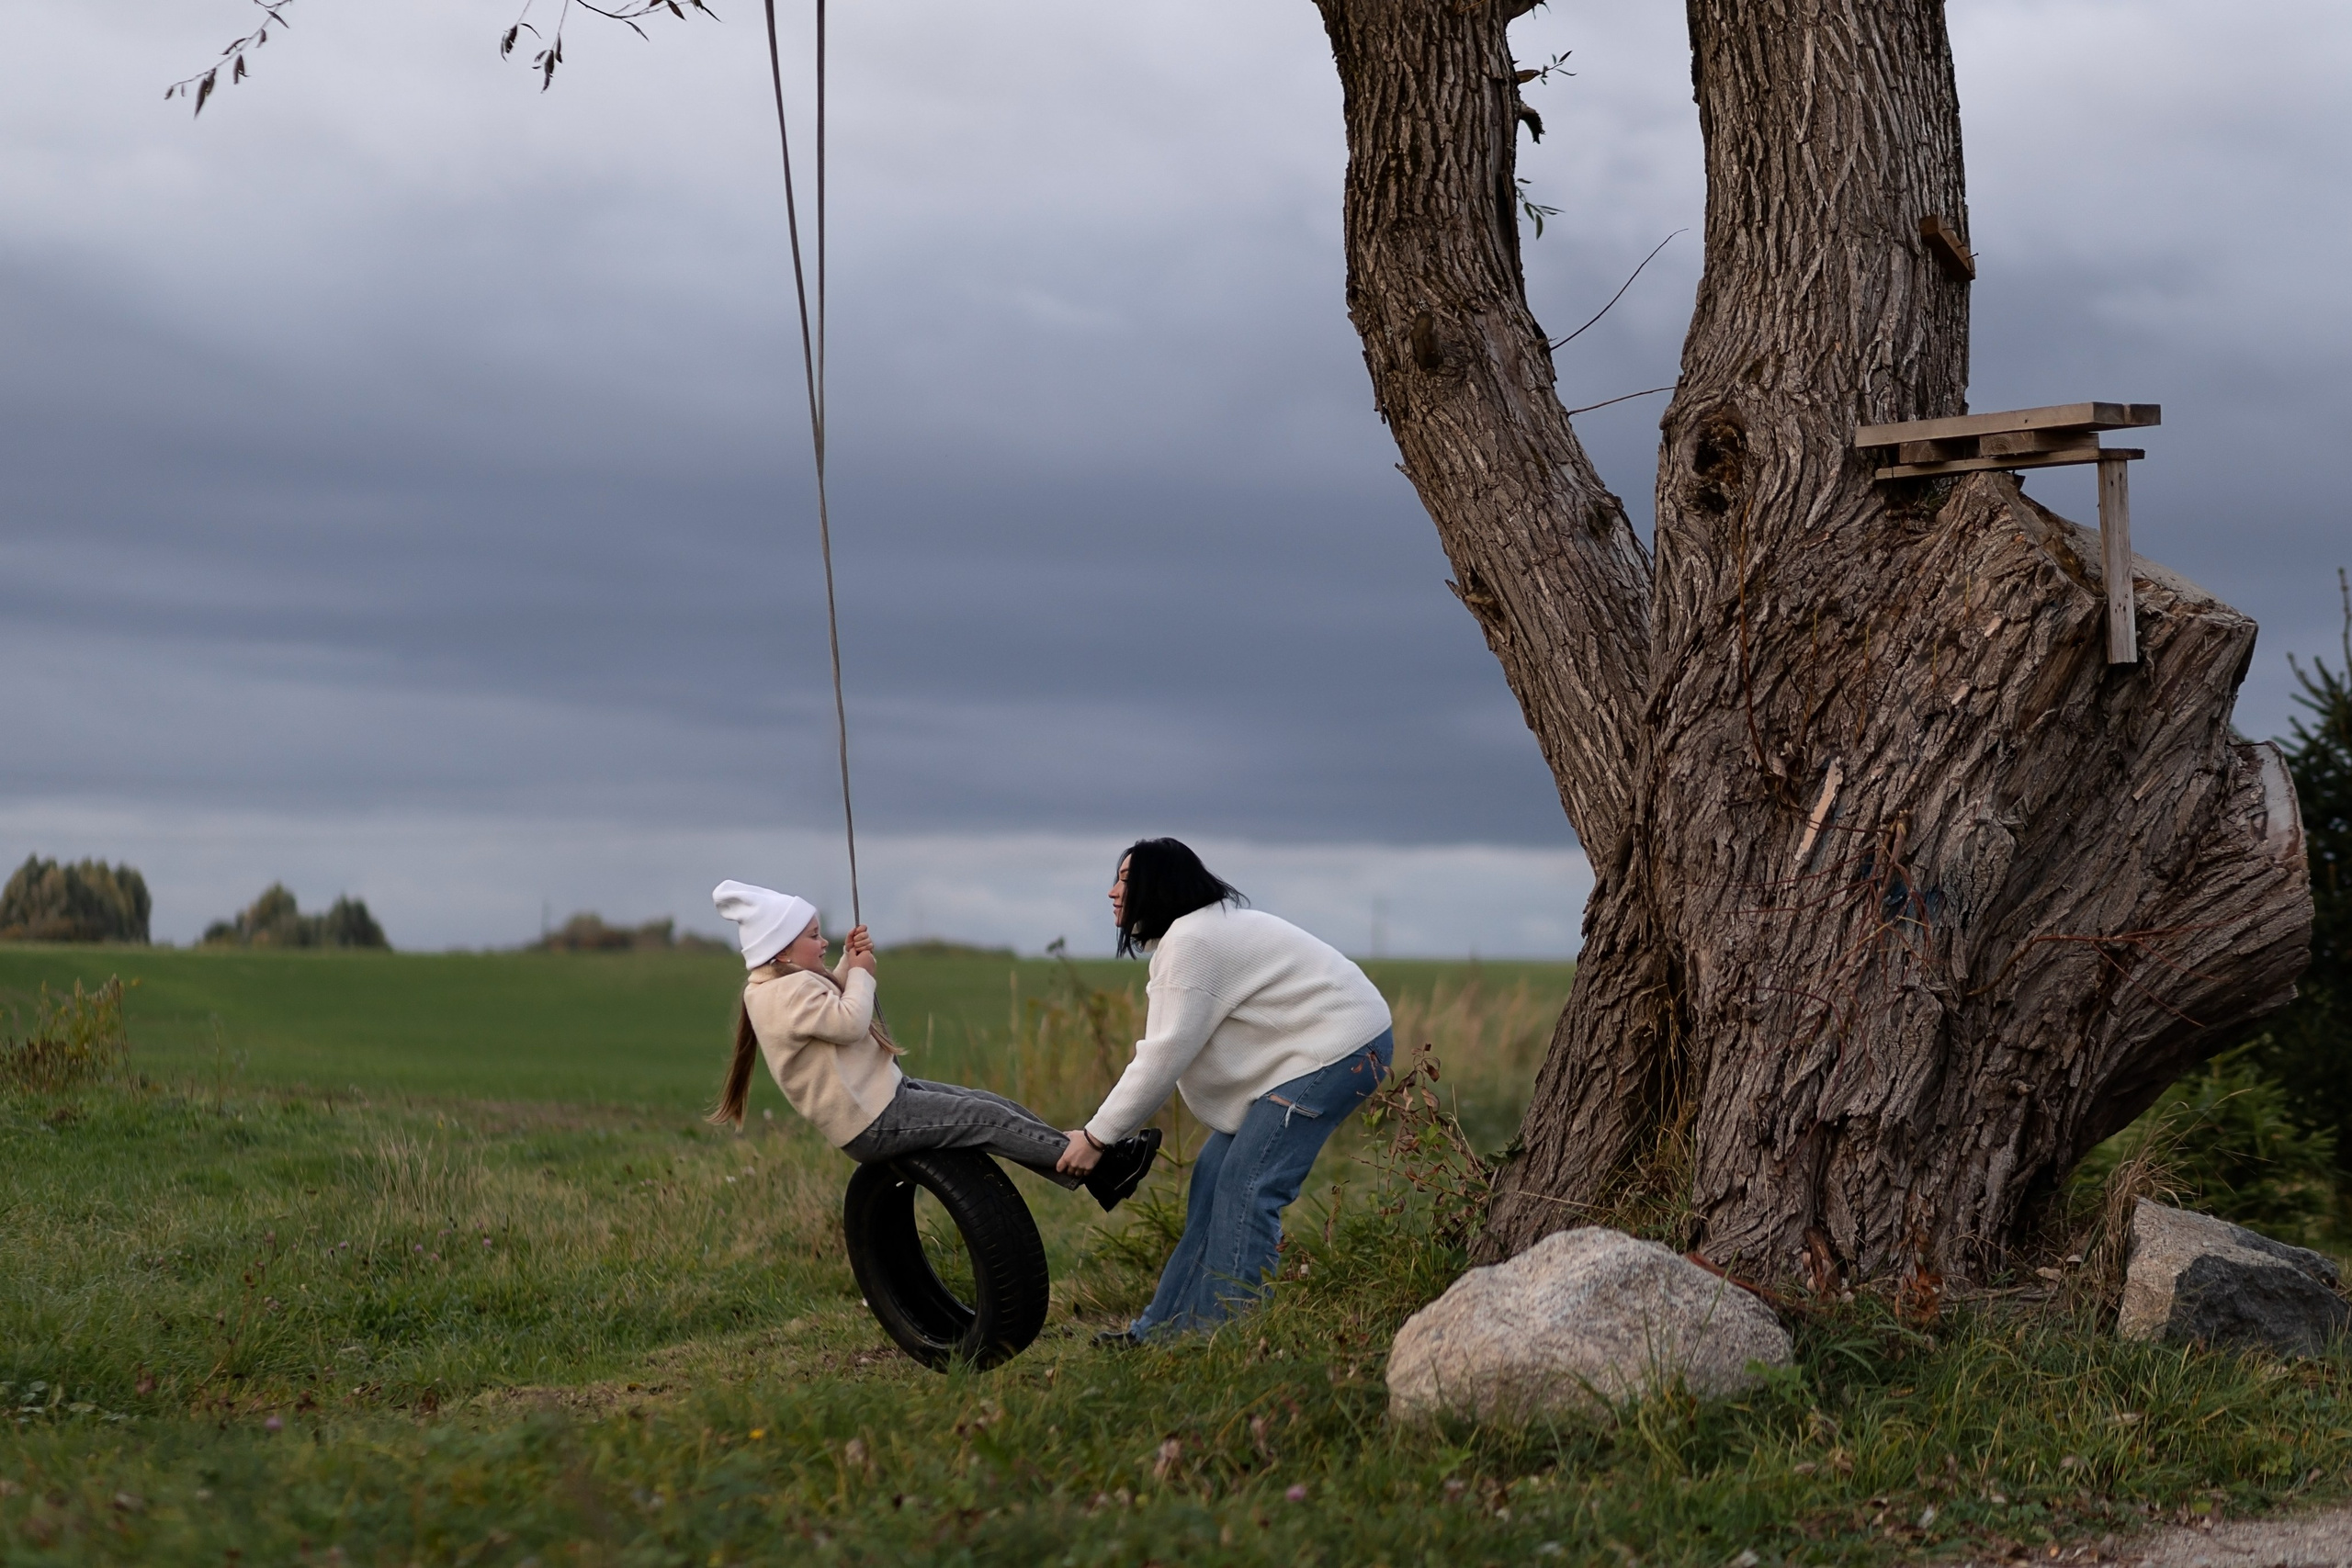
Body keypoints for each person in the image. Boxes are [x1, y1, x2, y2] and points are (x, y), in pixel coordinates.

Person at [1056, 840, 1394, 1340]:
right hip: (1315, 1051)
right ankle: (1158, 1334)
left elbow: (1160, 1060)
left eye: (1126, 879)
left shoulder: (1193, 944)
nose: (1112, 891)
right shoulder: (1198, 935)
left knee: (1250, 1186)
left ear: (1158, 886)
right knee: (1215, 1179)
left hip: (1340, 1049)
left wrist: (1097, 1136)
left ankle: (1228, 1339)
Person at [707, 879, 1159, 1210]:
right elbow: (846, 1022)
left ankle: (1094, 1171)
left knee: (990, 1107)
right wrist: (863, 972)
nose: (822, 941)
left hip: (884, 1099)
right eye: (813, 937)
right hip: (873, 1121)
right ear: (782, 950)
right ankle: (1103, 1168)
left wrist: (848, 960)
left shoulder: (782, 984)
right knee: (986, 1119)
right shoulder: (781, 994)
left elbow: (828, 1008)